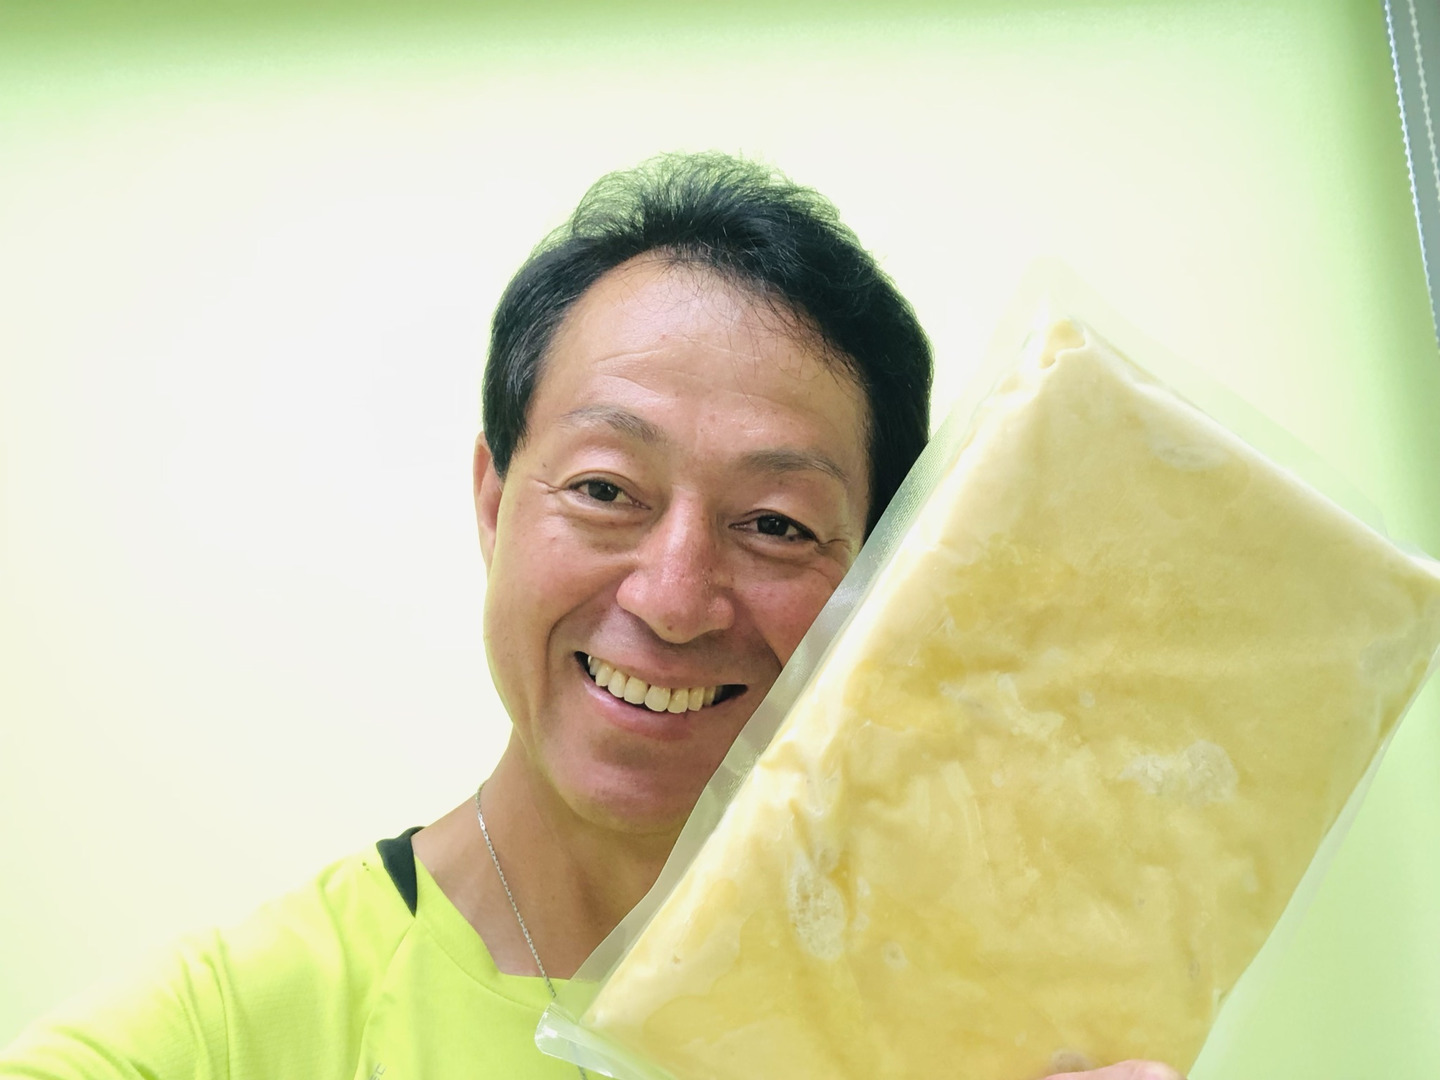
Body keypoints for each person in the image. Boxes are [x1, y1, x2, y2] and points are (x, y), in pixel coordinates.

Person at [0, 152, 1181, 1080]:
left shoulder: (990, 1026)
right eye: (607, 490)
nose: (672, 598)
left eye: (775, 523)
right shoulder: (227, 1029)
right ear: (493, 503)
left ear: (875, 581)